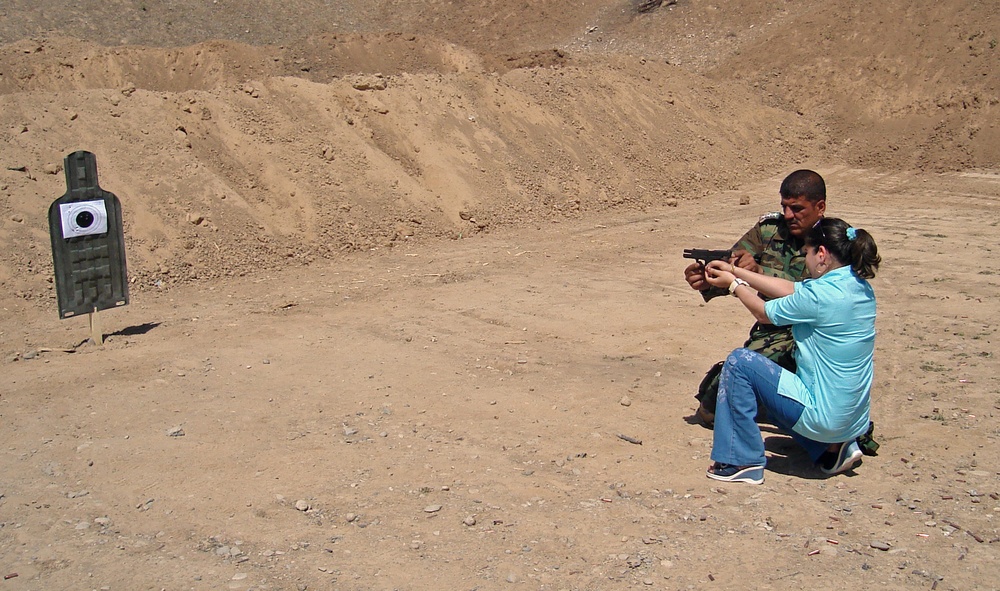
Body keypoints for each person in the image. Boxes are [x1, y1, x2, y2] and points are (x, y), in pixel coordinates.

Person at [699, 218, 881, 484]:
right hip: (852, 421)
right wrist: (736, 272)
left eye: (807, 253)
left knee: (740, 362)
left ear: (821, 254)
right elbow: (791, 289)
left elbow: (763, 314)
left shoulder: (820, 296)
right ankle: (832, 449)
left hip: (826, 419)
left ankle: (741, 461)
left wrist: (733, 286)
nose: (805, 260)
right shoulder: (858, 287)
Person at [684, 169, 827, 427]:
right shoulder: (768, 231)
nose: (788, 215)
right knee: (711, 409)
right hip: (772, 331)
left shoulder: (835, 240)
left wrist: (759, 273)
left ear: (820, 207)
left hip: (816, 335)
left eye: (797, 208)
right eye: (784, 207)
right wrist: (707, 281)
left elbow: (819, 295)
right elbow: (732, 266)